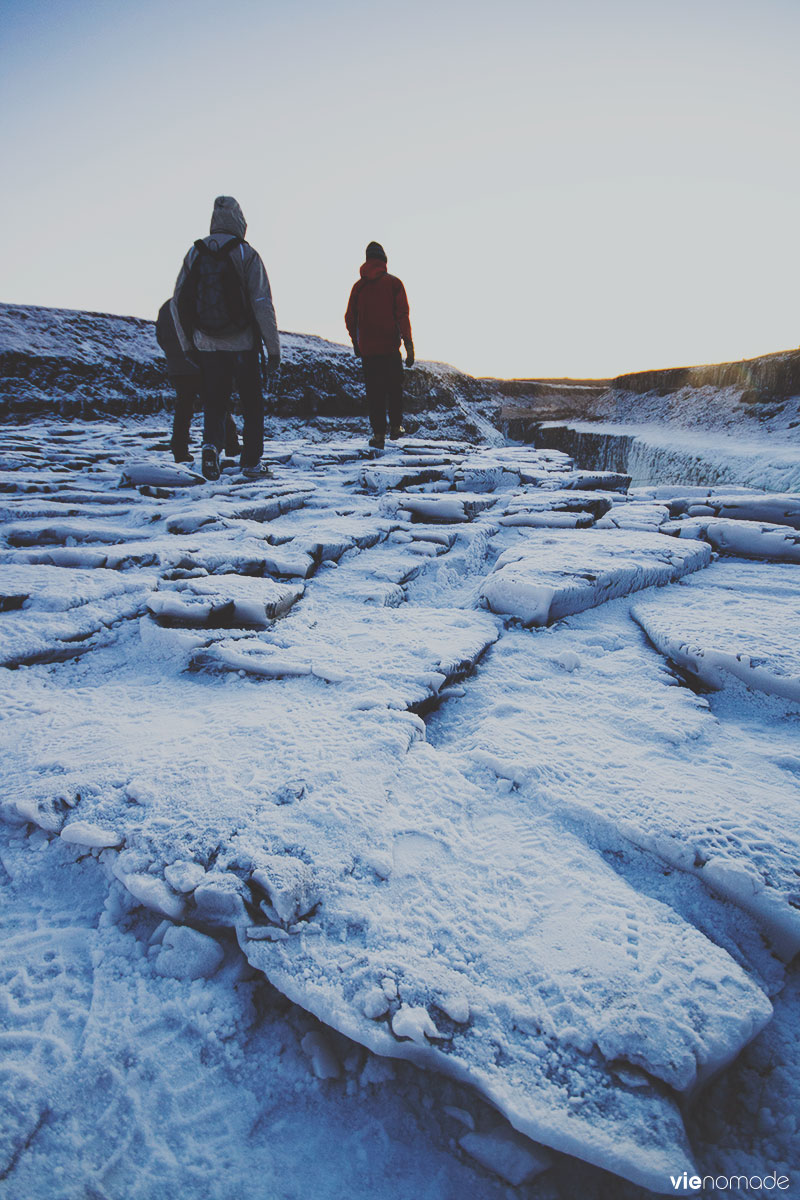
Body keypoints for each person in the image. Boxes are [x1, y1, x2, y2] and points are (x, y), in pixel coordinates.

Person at [172, 196, 280, 480]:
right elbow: (261, 302)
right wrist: (273, 349)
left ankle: (211, 447)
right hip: (243, 342)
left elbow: (178, 301)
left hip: (207, 343)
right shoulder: (246, 253)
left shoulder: (195, 253)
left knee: (215, 401)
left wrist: (188, 344)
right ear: (240, 221)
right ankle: (251, 462)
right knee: (252, 404)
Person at [345, 241, 414, 450]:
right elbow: (402, 315)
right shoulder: (394, 284)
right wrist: (408, 344)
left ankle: (378, 434)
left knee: (374, 392)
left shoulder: (358, 287)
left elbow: (350, 319)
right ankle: (395, 426)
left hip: (368, 351)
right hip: (390, 348)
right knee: (394, 388)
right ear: (384, 260)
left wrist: (356, 343)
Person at [155, 300, 240, 464]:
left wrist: (173, 356)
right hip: (201, 364)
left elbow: (160, 337)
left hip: (178, 368)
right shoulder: (200, 303)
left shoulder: (167, 306)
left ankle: (179, 451)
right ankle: (230, 444)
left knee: (183, 409)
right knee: (217, 405)